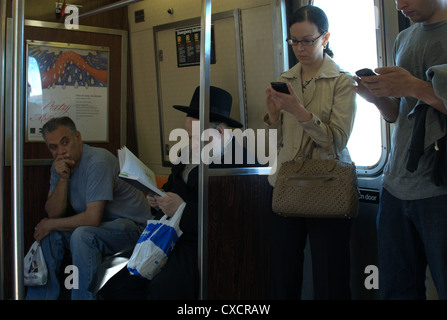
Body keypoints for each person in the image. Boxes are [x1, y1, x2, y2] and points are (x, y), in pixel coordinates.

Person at [98, 86, 259, 299]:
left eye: (195, 137)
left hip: (204, 245)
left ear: (219, 132)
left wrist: (182, 209)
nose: (190, 142)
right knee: (116, 280)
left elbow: (232, 218)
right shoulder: (188, 152)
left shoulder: (240, 162)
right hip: (170, 237)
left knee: (162, 289)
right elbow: (173, 186)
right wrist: (157, 196)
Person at [353, 0, 447, 299]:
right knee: (396, 289)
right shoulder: (403, 38)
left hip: (440, 186)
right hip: (395, 185)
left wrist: (416, 87)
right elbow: (398, 114)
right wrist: (376, 97)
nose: (399, 4)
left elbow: (417, 93)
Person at [264, 5, 356, 299]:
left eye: (308, 40)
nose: (299, 48)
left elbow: (335, 142)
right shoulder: (285, 77)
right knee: (282, 273)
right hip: (288, 184)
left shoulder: (342, 80)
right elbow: (278, 143)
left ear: (325, 38)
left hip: (328, 184)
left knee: (331, 277)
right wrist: (274, 116)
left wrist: (298, 111)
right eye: (294, 41)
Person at [26, 116, 153, 300]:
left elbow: (92, 218)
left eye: (65, 142)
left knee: (81, 235)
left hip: (135, 228)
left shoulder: (97, 161)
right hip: (101, 226)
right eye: (53, 147)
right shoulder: (59, 166)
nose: (61, 151)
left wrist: (51, 223)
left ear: (77, 137)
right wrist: (63, 179)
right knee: (50, 234)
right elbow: (53, 213)